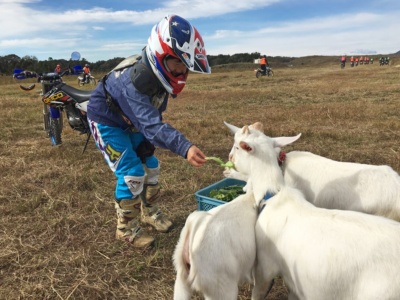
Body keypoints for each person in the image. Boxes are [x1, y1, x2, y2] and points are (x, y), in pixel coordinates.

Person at [87, 15, 211, 248]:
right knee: (132, 174)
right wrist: (185, 147)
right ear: (159, 55)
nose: (182, 73)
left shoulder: (157, 77)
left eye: (186, 67)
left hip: (132, 121)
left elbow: (153, 114)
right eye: (178, 65)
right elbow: (152, 125)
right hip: (107, 121)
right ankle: (126, 229)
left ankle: (149, 212)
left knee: (151, 167)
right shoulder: (136, 82)